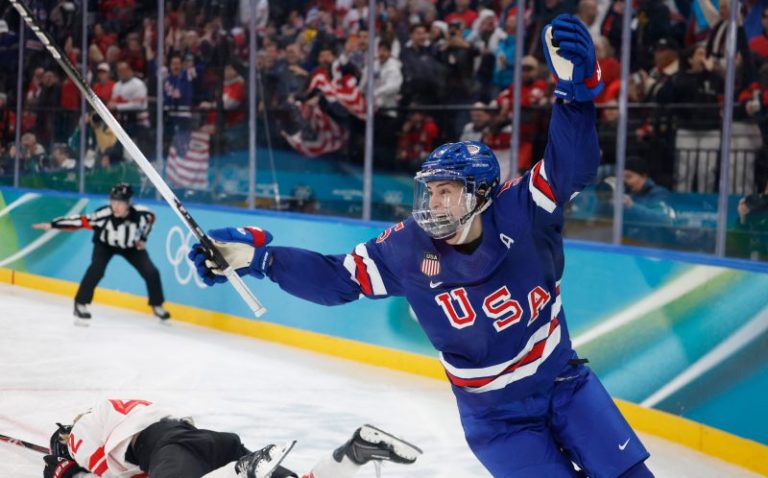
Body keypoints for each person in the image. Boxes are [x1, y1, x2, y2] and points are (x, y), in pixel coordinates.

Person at [189, 15, 653, 477]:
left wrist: (575, 98)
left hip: (564, 383)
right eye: (429, 191)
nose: (432, 202)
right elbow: (336, 280)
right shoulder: (405, 248)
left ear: (480, 194)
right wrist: (260, 259)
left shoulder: (523, 209)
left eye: (446, 190)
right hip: (497, 421)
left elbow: (571, 167)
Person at [43, 398, 421, 478]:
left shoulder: (80, 432)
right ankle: (356, 451)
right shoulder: (125, 408)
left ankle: (243, 473)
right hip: (212, 443)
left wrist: (62, 470)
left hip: (172, 449)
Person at [32, 183, 170, 323]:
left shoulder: (142, 214)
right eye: (113, 201)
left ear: (129, 203)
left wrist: (142, 238)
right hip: (105, 245)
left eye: (120, 202)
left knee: (151, 272)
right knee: (96, 269)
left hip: (130, 246)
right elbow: (79, 221)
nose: (115, 206)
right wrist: (53, 224)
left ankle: (157, 305)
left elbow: (150, 221)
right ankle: (80, 304)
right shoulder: (103, 214)